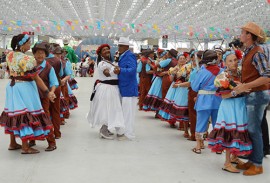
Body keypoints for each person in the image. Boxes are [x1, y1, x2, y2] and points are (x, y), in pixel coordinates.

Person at [0, 33, 55, 154]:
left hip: (12, 86)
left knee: (14, 113)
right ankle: (25, 146)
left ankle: (13, 143)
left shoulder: (9, 55)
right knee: (26, 114)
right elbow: (36, 78)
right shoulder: (28, 59)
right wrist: (47, 92)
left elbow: (10, 70)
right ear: (22, 45)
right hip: (24, 88)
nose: (30, 45)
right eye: (28, 43)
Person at [233, 22, 270, 176]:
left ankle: (257, 164)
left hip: (257, 95)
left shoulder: (257, 52)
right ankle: (253, 159)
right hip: (252, 94)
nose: (240, 34)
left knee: (254, 130)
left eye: (243, 32)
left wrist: (245, 85)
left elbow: (267, 75)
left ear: (249, 35)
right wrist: (241, 84)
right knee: (252, 129)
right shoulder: (249, 51)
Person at [208, 50, 252, 173]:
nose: (233, 63)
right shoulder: (223, 76)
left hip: (240, 105)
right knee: (230, 132)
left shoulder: (241, 73)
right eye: (230, 61)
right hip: (229, 106)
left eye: (235, 60)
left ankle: (234, 157)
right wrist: (236, 91)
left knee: (238, 130)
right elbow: (222, 96)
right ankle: (227, 163)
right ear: (225, 63)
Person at [87, 44, 125, 140]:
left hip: (113, 88)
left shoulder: (109, 62)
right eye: (104, 50)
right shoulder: (102, 63)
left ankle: (106, 129)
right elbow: (107, 74)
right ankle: (103, 130)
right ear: (100, 53)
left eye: (108, 49)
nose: (107, 51)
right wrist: (114, 70)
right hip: (107, 88)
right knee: (107, 109)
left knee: (111, 109)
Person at [191, 50, 223, 154]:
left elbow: (195, 87)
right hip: (218, 100)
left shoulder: (201, 72)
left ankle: (198, 146)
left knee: (201, 123)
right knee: (217, 124)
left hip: (203, 100)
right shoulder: (222, 71)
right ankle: (218, 148)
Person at [30, 41, 59, 151]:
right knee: (31, 118)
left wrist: (51, 92)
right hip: (31, 97)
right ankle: (32, 140)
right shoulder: (30, 65)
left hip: (43, 97)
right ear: (34, 54)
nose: (40, 55)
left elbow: (54, 83)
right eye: (37, 53)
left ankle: (51, 142)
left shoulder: (48, 67)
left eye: (42, 53)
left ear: (46, 54)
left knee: (45, 118)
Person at [113, 37, 138, 139]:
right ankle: (123, 131)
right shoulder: (122, 55)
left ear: (126, 46)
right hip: (123, 87)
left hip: (129, 88)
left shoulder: (130, 55)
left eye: (121, 46)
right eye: (118, 45)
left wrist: (121, 70)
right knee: (124, 111)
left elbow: (132, 70)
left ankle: (128, 133)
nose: (119, 48)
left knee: (128, 112)